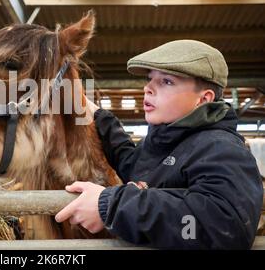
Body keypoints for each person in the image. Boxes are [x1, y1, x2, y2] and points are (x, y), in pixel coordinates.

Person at [55, 39, 264, 249]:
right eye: (150, 79)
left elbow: (223, 227)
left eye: (167, 82)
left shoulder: (220, 149)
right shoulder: (165, 141)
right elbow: (134, 164)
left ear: (203, 99)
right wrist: (100, 116)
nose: (148, 88)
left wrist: (111, 206)